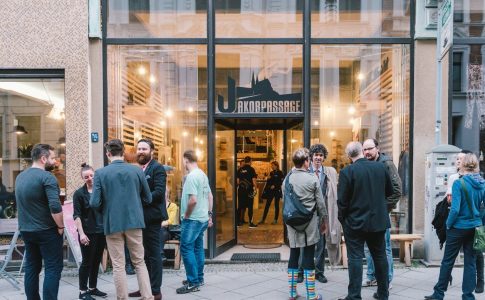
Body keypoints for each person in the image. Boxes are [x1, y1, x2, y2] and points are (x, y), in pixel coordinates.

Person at [90, 139, 153, 300]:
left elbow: (94, 202)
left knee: (118, 265)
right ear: (123, 152)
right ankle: (147, 297)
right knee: (139, 262)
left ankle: (122, 298)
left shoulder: (101, 173)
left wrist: (107, 209)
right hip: (134, 221)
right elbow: (148, 198)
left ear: (108, 154)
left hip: (112, 223)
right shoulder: (137, 171)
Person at [425, 153, 485, 300]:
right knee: (470, 262)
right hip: (475, 227)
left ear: (463, 165)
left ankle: (439, 294)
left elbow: (455, 209)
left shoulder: (459, 183)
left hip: (458, 227)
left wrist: (448, 224)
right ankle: (468, 296)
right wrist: (479, 221)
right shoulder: (482, 183)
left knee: (448, 261)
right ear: (476, 166)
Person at [337, 141, 392, 300]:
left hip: (355, 223)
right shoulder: (380, 167)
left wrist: (344, 221)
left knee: (354, 258)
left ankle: (354, 296)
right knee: (380, 256)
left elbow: (342, 202)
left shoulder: (347, 172)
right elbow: (389, 191)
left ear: (348, 155)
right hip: (378, 222)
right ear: (362, 151)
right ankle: (383, 294)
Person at [16, 144, 64, 300]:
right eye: (52, 158)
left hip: (27, 230)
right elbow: (55, 206)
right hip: (47, 231)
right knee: (53, 268)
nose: (55, 161)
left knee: (32, 267)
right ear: (43, 159)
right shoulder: (47, 177)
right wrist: (61, 226)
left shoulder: (20, 177)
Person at [285, 148, 328, 300]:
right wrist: (324, 221)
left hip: (292, 222)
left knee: (294, 254)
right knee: (309, 255)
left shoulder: (287, 179)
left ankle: (292, 293)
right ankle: (311, 295)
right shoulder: (312, 179)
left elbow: (284, 195)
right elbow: (321, 204)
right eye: (308, 159)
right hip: (309, 222)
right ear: (305, 162)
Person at [128, 139, 166, 300]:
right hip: (139, 218)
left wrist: (140, 200)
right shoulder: (138, 169)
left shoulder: (157, 168)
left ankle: (155, 290)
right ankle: (145, 287)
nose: (141, 151)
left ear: (152, 151)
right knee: (141, 255)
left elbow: (158, 192)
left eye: (144, 149)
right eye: (139, 149)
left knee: (154, 254)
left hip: (152, 218)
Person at [361, 138, 402, 292]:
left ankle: (386, 279)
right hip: (368, 214)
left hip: (380, 214)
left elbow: (397, 191)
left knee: (384, 248)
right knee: (367, 248)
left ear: (377, 148)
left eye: (370, 149)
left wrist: (382, 208)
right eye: (364, 150)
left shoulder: (386, 164)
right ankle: (371, 276)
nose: (367, 152)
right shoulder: (366, 164)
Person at [297, 144, 339, 284]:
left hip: (321, 215)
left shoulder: (328, 172)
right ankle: (301, 271)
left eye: (321, 155)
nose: (318, 158)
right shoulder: (304, 171)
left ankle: (319, 272)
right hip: (306, 214)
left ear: (324, 157)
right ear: (311, 157)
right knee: (304, 244)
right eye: (316, 155)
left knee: (321, 245)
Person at [176, 150, 213, 294]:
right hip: (202, 218)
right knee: (197, 248)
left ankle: (193, 282)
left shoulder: (191, 177)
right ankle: (199, 278)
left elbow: (193, 200)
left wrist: (185, 215)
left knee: (186, 248)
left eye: (182, 160)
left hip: (192, 219)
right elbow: (210, 196)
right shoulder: (202, 175)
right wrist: (209, 215)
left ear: (186, 160)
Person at [73, 163, 107, 300]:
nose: (89, 178)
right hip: (87, 233)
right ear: (82, 178)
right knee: (87, 262)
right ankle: (82, 291)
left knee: (96, 261)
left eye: (91, 175)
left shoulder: (101, 191)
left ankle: (92, 288)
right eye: (86, 176)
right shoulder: (79, 194)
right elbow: (77, 215)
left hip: (101, 231)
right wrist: (81, 234)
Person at [259, 161, 284, 225]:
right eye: (271, 165)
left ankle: (275, 220)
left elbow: (281, 182)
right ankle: (263, 219)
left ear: (276, 165)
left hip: (277, 191)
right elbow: (269, 182)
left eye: (272, 165)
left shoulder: (280, 173)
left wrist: (275, 185)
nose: (271, 166)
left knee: (276, 205)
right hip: (271, 191)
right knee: (267, 205)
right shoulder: (271, 173)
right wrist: (268, 179)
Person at [237, 156, 258, 228]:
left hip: (241, 190)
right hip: (249, 191)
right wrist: (255, 187)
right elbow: (254, 179)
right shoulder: (251, 169)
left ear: (245, 161)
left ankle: (238, 223)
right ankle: (251, 223)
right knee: (250, 206)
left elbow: (237, 181)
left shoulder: (240, 169)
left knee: (240, 206)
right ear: (250, 161)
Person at [160, 187, 179, 261]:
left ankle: (160, 254)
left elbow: (170, 220)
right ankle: (160, 254)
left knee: (161, 231)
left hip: (167, 231)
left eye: (164, 192)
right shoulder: (156, 206)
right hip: (156, 230)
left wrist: (159, 224)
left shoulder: (172, 206)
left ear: (167, 194)